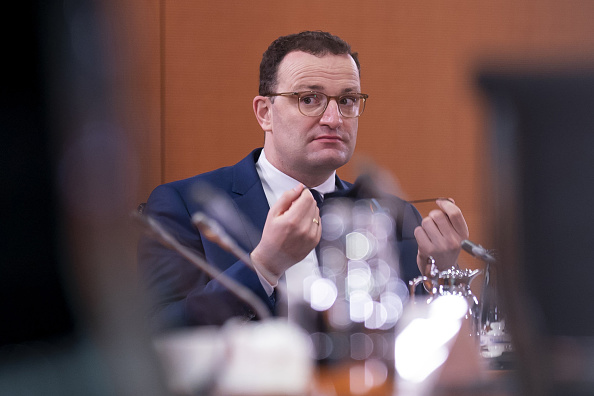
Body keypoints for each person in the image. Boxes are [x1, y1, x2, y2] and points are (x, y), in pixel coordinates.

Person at [138, 31, 469, 330]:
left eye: (347, 100)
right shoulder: (185, 205)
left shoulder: (392, 214)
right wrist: (263, 266)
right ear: (264, 113)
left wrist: (438, 278)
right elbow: (158, 333)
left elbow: (422, 348)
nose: (334, 119)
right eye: (309, 99)